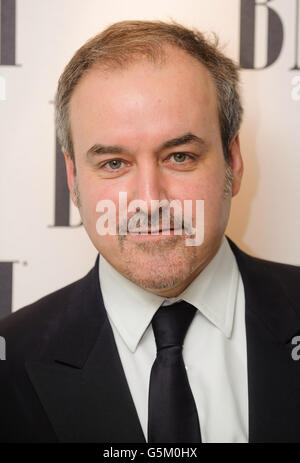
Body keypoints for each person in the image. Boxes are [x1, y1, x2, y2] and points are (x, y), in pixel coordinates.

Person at [0, 19, 300, 444]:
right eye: (114, 164)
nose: (148, 199)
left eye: (179, 156)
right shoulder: (9, 360)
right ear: (72, 179)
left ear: (232, 161)